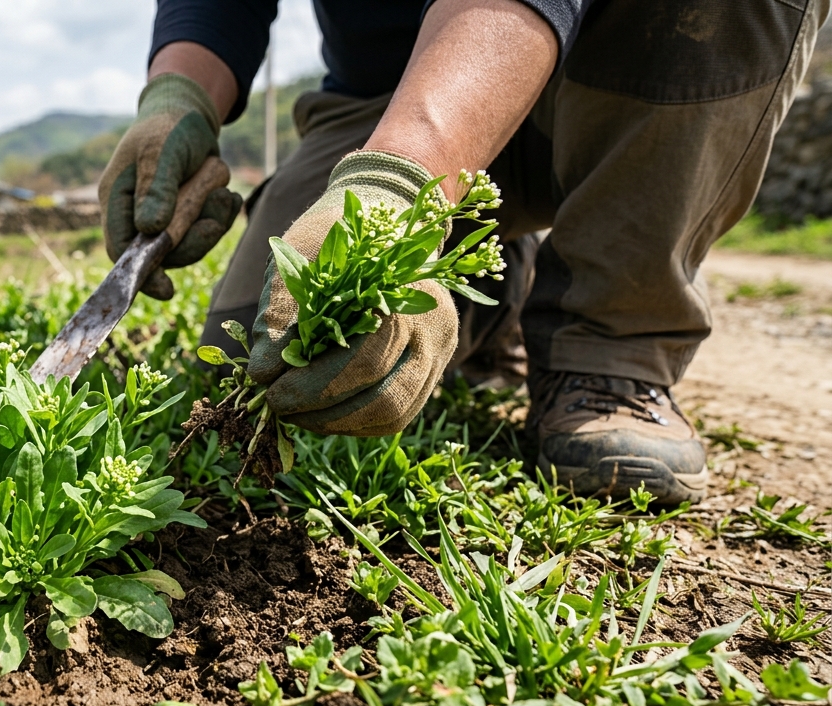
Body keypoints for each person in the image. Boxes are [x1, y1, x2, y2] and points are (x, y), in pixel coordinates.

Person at [98, 0, 829, 504]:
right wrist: (178, 98)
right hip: (379, 98)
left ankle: (612, 347)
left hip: (610, 74)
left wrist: (397, 182)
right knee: (264, 354)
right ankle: (492, 284)